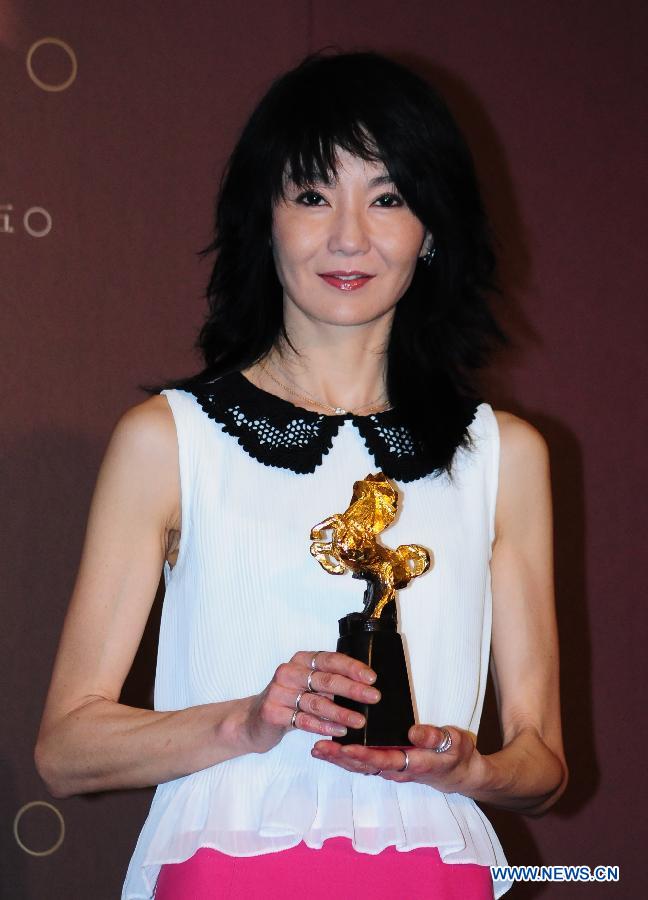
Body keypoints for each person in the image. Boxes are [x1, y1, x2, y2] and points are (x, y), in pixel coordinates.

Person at [35, 50, 567, 899]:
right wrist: (248, 720)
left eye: (388, 198)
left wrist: (471, 770)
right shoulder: (169, 440)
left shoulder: (504, 455)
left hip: (435, 871)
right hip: (229, 870)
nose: (349, 236)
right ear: (266, 218)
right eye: (313, 195)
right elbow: (65, 751)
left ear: (432, 229)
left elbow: (542, 764)